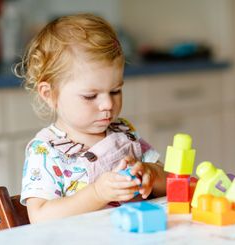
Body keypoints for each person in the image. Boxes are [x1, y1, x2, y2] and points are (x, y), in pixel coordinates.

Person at [15, 13, 167, 223]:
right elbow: (40, 216)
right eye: (90, 96)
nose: (108, 104)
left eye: (115, 91)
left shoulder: (123, 132)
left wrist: (152, 174)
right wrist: (97, 193)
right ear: (49, 94)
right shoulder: (45, 150)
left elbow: (173, 182)